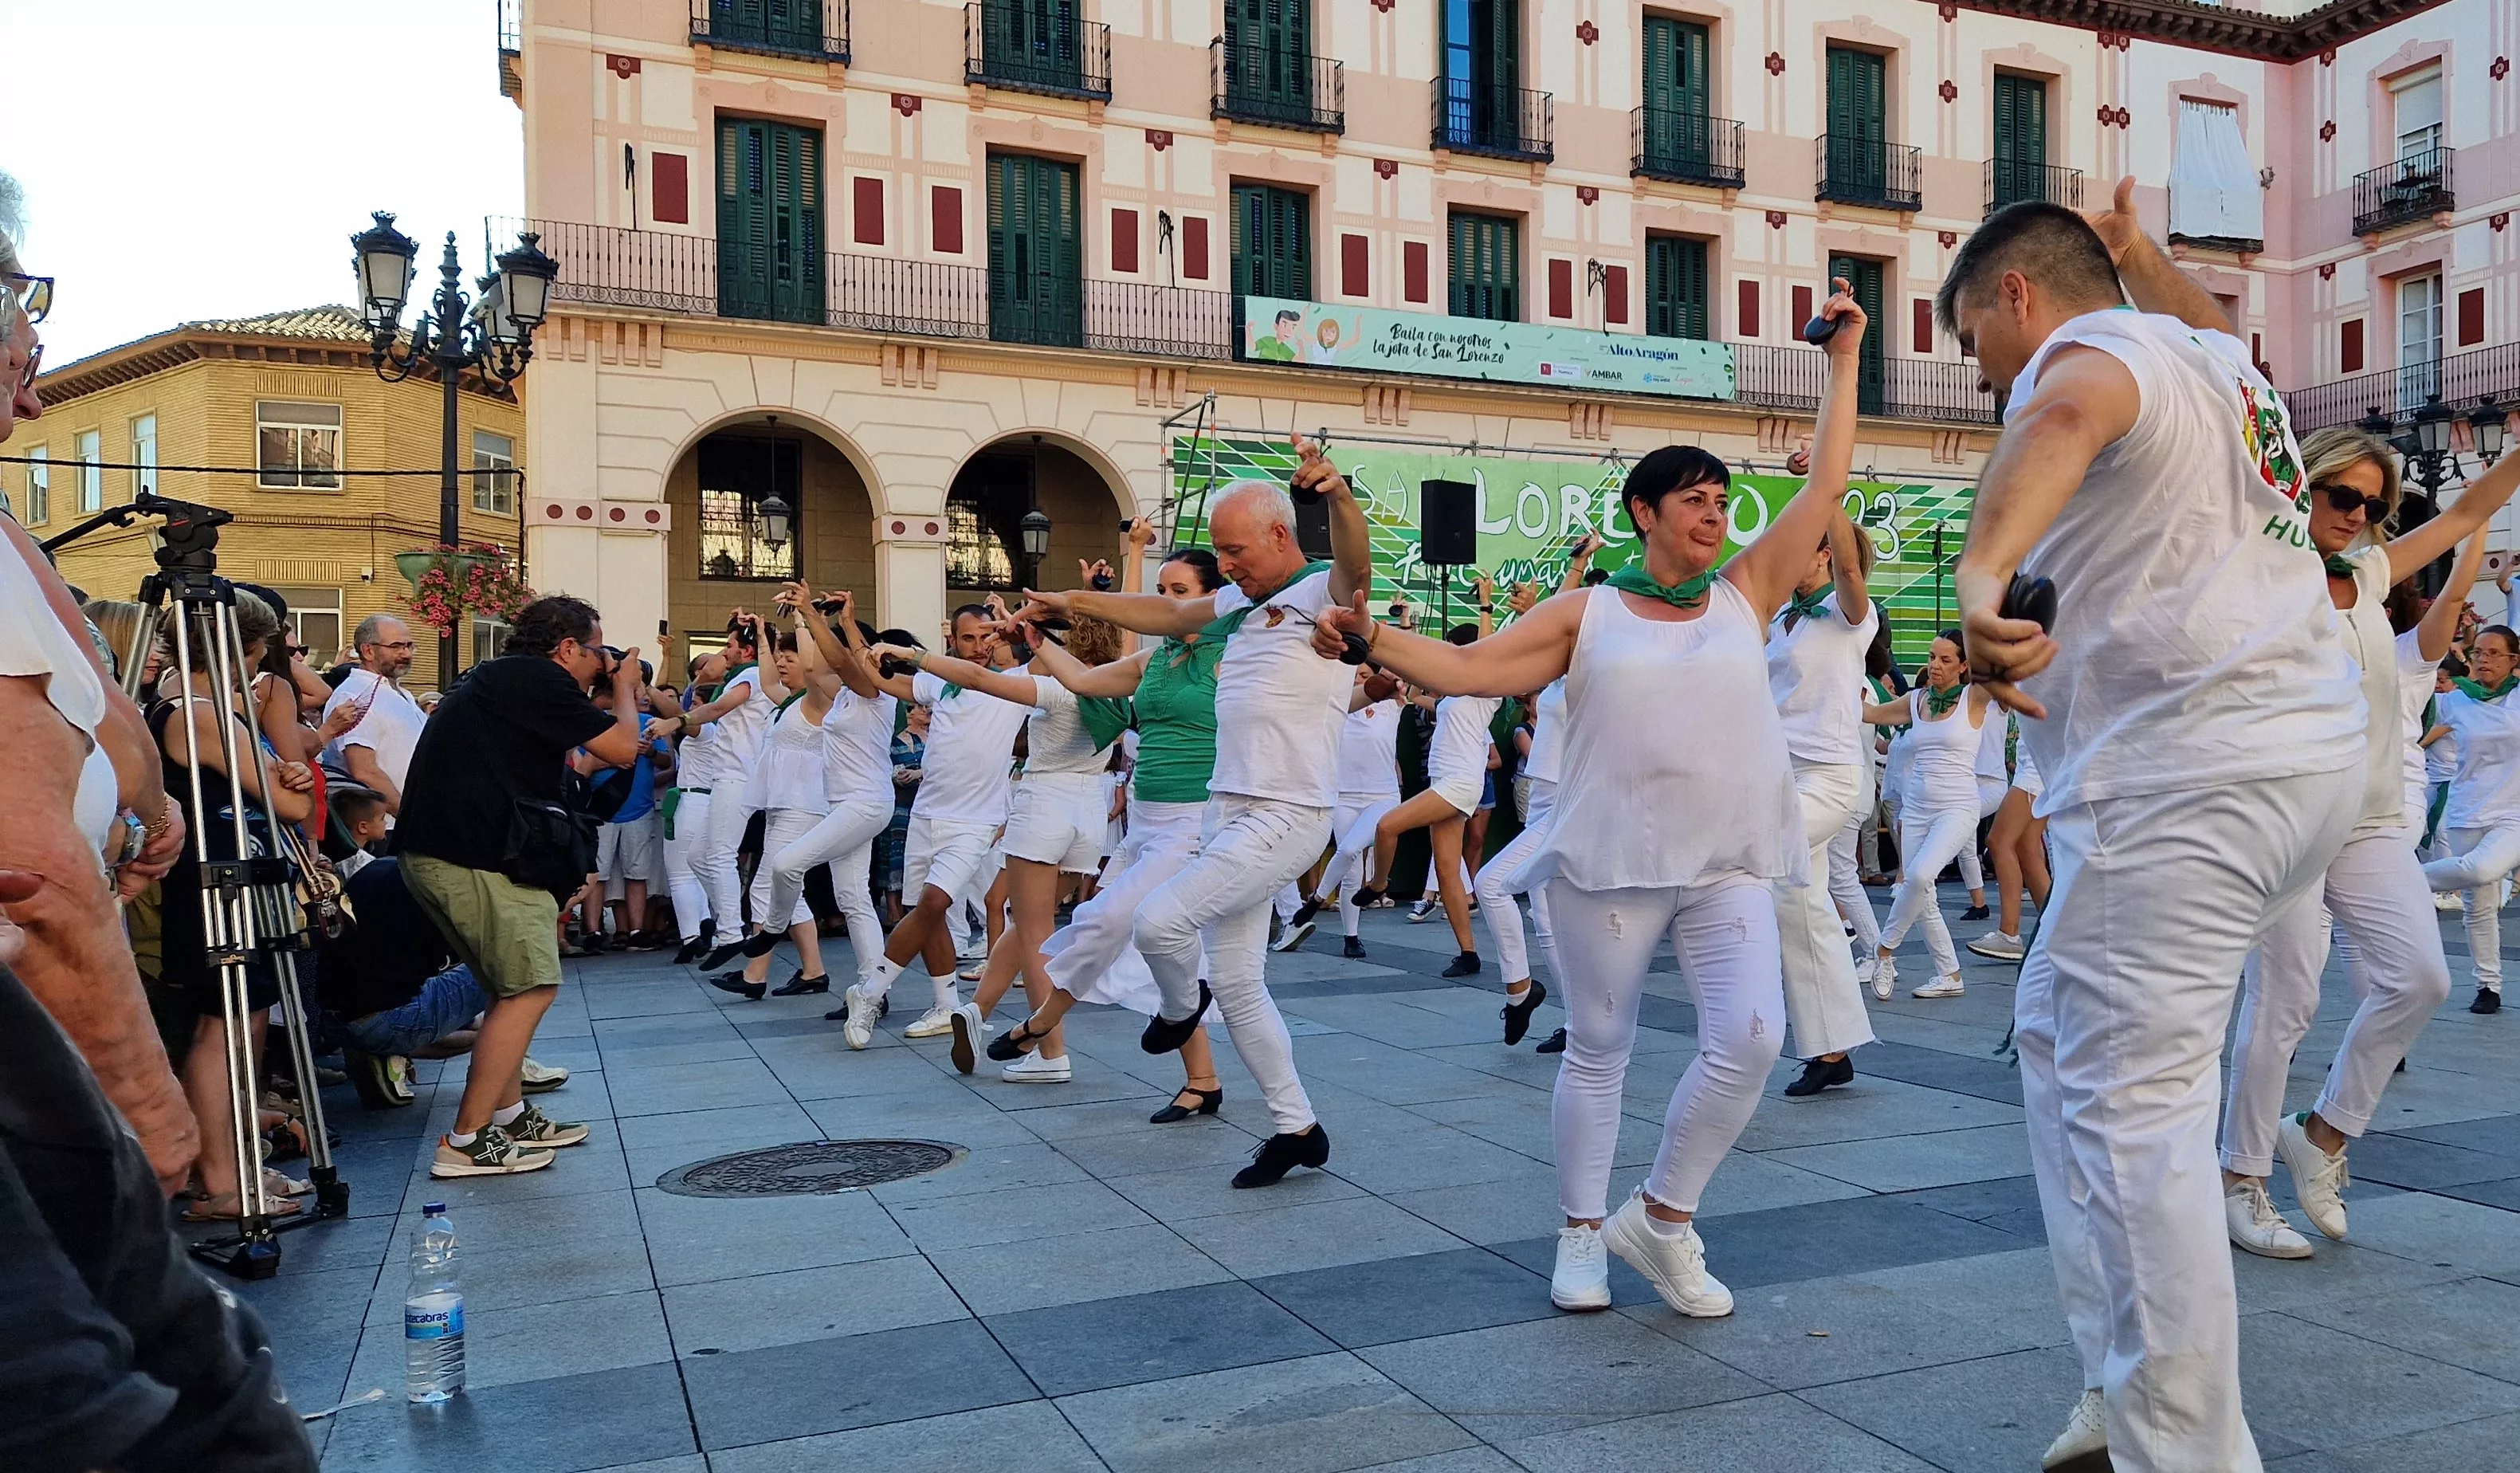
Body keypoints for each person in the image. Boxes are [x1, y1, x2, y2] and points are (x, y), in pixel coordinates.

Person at [1310, 283, 1869, 1318]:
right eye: (1693, 498)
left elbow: (1826, 482)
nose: (1713, 511)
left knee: (1749, 1038)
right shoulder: (1591, 609)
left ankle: (1659, 1222)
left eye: (1719, 499)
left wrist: (1841, 364)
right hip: (1609, 861)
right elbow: (1473, 670)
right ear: (1644, 513)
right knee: (1601, 1049)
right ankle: (1577, 1235)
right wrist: (1373, 637)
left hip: (1726, 858)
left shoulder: (1746, 595)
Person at [1941, 182, 2364, 1472]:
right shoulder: (2211, 359)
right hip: (2295, 765)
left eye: (1972, 343)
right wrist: (2146, 256)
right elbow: (2186, 322)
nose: (1981, 378)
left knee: (2129, 1120)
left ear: (2017, 293)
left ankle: (2183, 1451)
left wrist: (1975, 571)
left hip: (2183, 781)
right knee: (2060, 1051)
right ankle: (2117, 1384)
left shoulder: (2083, 357)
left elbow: (2061, 413)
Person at [1011, 438, 1373, 1188]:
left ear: (1281, 534)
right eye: (1219, 551)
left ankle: (1179, 1009)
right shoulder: (1239, 599)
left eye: (1235, 549)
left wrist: (1338, 497)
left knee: (1158, 922)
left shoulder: (1318, 593)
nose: (1228, 562)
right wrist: (1072, 602)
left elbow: (1357, 567)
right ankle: (1296, 1128)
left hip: (1289, 812)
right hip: (1226, 809)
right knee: (1241, 985)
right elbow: (1163, 613)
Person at [2222, 423, 2508, 1259]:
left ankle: (2324, 1133)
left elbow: (2474, 509)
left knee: (2420, 978)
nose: (2356, 514)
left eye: (2372, 504)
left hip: (2375, 815)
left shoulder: (2373, 570)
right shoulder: (2259, 575)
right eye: (2340, 495)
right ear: (2302, 485)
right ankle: (2242, 1181)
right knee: (2286, 1002)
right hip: (2291, 815)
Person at [953, 533, 1229, 1119]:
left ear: (1213, 599)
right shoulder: (1156, 661)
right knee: (1165, 955)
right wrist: (1037, 638)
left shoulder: (1233, 654)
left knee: (1104, 921)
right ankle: (1202, 1078)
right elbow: (1082, 681)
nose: (1166, 602)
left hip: (1193, 822)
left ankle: (1040, 1024)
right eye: (1161, 590)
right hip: (1143, 823)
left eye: (1180, 592)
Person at [394, 595, 652, 1178]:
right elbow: (620, 748)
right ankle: (465, 1140)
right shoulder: (537, 677)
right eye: (597, 652)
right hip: (473, 857)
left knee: (507, 988)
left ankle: (508, 1115)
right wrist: (629, 688)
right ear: (566, 648)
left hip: (446, 852)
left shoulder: (502, 678)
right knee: (530, 987)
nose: (602, 665)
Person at [872, 611, 1129, 1083]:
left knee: (1035, 935)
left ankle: (1050, 1052)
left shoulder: (1055, 689)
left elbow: (973, 676)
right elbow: (1123, 633)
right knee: (1029, 923)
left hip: (1045, 806)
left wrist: (914, 654)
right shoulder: (1118, 687)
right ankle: (977, 1010)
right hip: (1088, 815)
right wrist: (1126, 560)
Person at [144, 589, 318, 1221]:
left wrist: (285, 776)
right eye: (258, 651)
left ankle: (232, 1164)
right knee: (227, 1029)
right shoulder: (202, 714)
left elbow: (283, 787)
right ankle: (219, 1178)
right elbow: (291, 805)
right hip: (221, 882)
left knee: (237, 1026)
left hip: (224, 875)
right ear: (240, 649)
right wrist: (288, 778)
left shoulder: (186, 706)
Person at [832, 605, 1031, 1042]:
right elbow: (877, 678)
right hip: (925, 814)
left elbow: (1057, 651)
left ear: (999, 637)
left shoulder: (1017, 683)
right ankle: (945, 1005)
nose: (979, 647)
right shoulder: (938, 682)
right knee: (928, 915)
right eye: (968, 639)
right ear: (952, 642)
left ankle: (870, 992)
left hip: (975, 823)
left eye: (987, 636)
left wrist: (1021, 622)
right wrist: (849, 624)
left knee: (934, 904)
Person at [1760, 429, 1882, 1096]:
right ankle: (1832, 1050)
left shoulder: (1848, 615)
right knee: (1797, 904)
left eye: (1812, 546)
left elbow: (1851, 573)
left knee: (1761, 859)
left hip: (1830, 778)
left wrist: (1826, 486)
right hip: (1780, 776)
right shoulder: (1786, 620)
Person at [714, 586, 896, 999]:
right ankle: (874, 991)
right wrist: (800, 616)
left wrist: (819, 617)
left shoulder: (874, 693)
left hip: (866, 804)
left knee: (785, 864)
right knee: (853, 900)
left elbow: (828, 662)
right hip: (843, 805)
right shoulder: (843, 696)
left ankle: (769, 933)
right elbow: (815, 668)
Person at [1859, 632, 1996, 1001]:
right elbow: (1870, 714)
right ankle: (1949, 974)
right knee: (1924, 897)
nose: (1934, 665)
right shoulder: (1917, 699)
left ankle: (1883, 951)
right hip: (1916, 809)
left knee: (1917, 877)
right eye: (1932, 657)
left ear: (1965, 666)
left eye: (1946, 660)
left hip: (1958, 807)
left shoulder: (1975, 697)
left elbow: (2001, 666)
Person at [2421, 623, 2520, 1012]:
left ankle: (2403, 882)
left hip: (2513, 813)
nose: (2484, 660)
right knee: (2478, 908)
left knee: (2481, 871)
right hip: (2465, 811)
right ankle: (2488, 987)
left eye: (2495, 653)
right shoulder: (2455, 700)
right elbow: (2413, 718)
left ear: (2514, 660)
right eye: (2478, 652)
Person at [689, 615, 779, 971]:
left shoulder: (750, 675)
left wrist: (679, 721)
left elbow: (717, 708)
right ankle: (730, 919)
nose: (723, 652)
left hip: (737, 777)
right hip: (733, 776)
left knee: (719, 854)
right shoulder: (750, 675)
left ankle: (730, 932)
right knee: (699, 856)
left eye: (729, 645)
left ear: (746, 650)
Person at [586, 658, 677, 949]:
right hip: (601, 808)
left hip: (638, 808)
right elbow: (580, 763)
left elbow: (667, 760)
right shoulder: (595, 721)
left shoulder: (647, 724)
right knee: (597, 873)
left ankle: (637, 931)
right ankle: (593, 931)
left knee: (637, 873)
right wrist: (620, 755)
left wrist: (649, 752)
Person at [321, 613, 427, 816]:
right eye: (396, 647)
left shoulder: (399, 693)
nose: (406, 654)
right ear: (368, 651)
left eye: (409, 646)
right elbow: (363, 771)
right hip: (381, 826)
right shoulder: (355, 694)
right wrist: (410, 817)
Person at [663, 649, 729, 963]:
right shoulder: (728, 733)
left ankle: (692, 935)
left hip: (692, 799)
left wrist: (647, 688)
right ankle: (709, 929)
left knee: (680, 874)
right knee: (701, 869)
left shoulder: (707, 731)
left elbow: (681, 717)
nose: (690, 708)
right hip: (709, 800)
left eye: (695, 705)